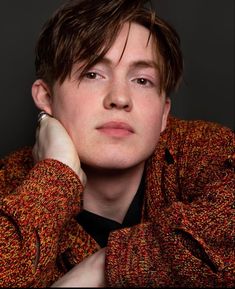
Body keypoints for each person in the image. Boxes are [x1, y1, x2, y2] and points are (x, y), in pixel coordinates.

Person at [0, 0, 234, 287]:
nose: (120, 98)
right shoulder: (8, 183)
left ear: (163, 113)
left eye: (142, 80)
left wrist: (105, 266)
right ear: (46, 98)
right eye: (93, 74)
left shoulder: (204, 150)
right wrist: (56, 175)